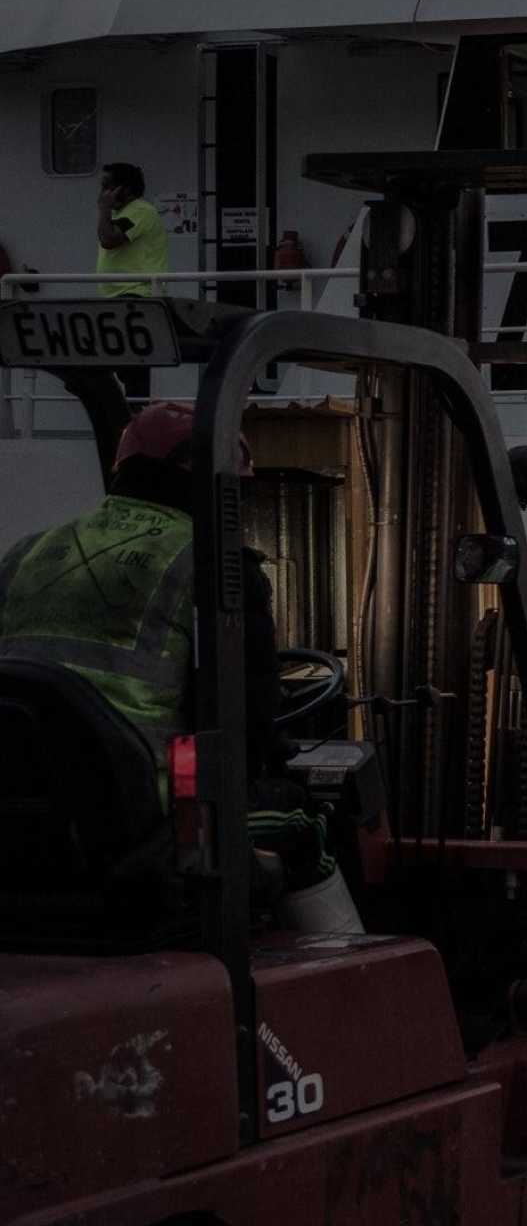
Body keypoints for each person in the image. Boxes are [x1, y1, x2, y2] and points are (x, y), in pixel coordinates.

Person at [0, 402, 355, 932]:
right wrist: (278, 762)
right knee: (301, 822)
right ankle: (351, 994)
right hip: (141, 819)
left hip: (23, 816)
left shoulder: (25, 553)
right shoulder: (215, 565)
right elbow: (248, 723)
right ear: (213, 481)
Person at [95, 163, 168, 399]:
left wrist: (103, 209)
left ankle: (138, 417)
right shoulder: (123, 215)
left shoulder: (140, 211)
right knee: (123, 365)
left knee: (133, 367)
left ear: (123, 189)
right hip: (118, 298)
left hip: (136, 297)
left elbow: (109, 239)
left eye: (107, 187)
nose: (103, 193)